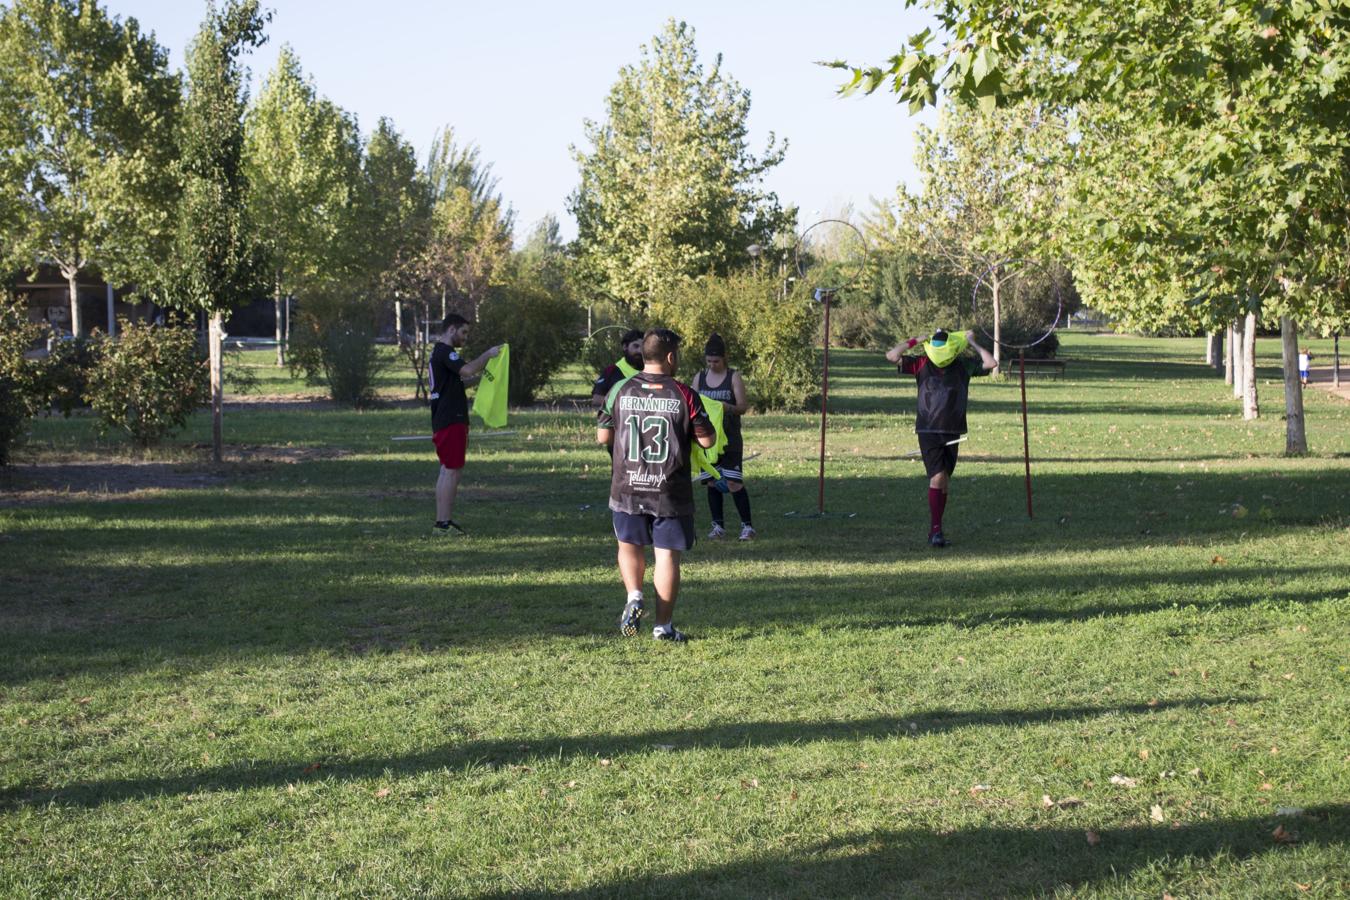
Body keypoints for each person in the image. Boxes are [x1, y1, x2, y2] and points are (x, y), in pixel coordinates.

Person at [597, 328, 716, 642]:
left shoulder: (619, 388)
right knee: (666, 557)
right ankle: (663, 627)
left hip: (627, 485)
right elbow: (707, 440)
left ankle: (634, 595)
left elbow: (603, 436)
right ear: (671, 357)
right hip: (669, 490)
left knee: (628, 546)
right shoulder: (684, 393)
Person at [885, 328, 997, 547]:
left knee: (944, 480)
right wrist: (916, 340)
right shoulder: (921, 363)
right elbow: (892, 356)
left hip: (953, 430)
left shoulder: (963, 365)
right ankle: (935, 531)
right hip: (928, 430)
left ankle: (937, 528)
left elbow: (991, 363)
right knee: (937, 477)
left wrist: (972, 342)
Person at [429, 314, 502, 535]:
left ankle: (442, 522)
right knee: (451, 471)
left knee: (447, 470)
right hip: (451, 418)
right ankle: (443, 523)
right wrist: (488, 355)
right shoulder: (446, 352)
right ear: (451, 329)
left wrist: (486, 377)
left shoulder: (438, 352)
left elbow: (460, 381)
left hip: (444, 418)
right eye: (464, 332)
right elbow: (467, 370)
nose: (465, 337)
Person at [693, 332, 755, 540]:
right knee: (712, 482)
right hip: (707, 441)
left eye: (716, 361)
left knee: (733, 482)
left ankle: (747, 526)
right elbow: (692, 403)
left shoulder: (733, 377)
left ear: (724, 358)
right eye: (709, 361)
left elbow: (742, 407)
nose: (712, 365)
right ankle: (717, 526)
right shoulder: (699, 378)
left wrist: (726, 407)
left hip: (730, 439)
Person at [590, 328, 644, 408]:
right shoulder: (611, 371)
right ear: (625, 347)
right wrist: (627, 404)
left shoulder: (653, 371)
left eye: (643, 347)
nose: (639, 351)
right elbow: (597, 400)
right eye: (636, 346)